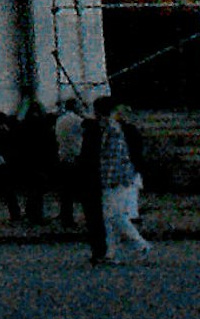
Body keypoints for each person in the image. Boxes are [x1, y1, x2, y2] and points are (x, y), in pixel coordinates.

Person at [95, 96, 151, 259]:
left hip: (116, 179)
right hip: (121, 176)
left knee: (116, 216)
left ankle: (140, 244)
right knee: (111, 217)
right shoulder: (115, 128)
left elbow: (112, 158)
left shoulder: (111, 130)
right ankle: (112, 252)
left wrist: (107, 180)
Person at [54, 98, 93, 240]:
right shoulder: (77, 120)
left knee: (66, 193)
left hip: (63, 157)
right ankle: (87, 218)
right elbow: (89, 127)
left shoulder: (60, 120)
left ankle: (66, 217)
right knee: (83, 191)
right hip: (76, 157)